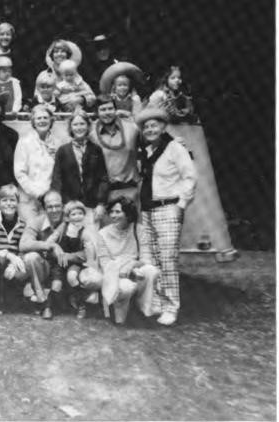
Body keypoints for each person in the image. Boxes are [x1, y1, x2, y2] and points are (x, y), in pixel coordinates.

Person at [136, 107, 197, 326]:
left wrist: (181, 204)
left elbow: (190, 176)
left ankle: (171, 306)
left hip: (168, 207)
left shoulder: (174, 148)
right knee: (151, 258)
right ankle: (158, 303)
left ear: (163, 127)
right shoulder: (147, 150)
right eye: (146, 127)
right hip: (148, 209)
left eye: (154, 125)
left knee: (168, 258)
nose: (150, 129)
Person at [80, 196, 160, 325]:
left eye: (118, 212)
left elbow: (146, 258)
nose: (113, 215)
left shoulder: (138, 229)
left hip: (135, 268)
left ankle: (145, 310)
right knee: (126, 288)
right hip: (114, 273)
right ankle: (119, 314)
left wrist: (133, 265)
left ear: (128, 214)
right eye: (111, 212)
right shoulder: (103, 233)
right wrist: (123, 272)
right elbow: (105, 263)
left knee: (151, 271)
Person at [51, 109, 109, 227]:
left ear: (88, 126)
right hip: (69, 206)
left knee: (91, 240)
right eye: (75, 124)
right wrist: (63, 204)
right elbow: (57, 179)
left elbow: (103, 178)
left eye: (82, 124)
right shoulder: (63, 150)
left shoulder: (96, 149)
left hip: (91, 205)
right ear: (70, 127)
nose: (79, 127)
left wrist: (101, 204)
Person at [44, 200, 98, 319]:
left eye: (80, 213)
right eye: (73, 214)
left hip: (74, 262)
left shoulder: (85, 231)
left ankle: (81, 305)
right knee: (56, 284)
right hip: (60, 261)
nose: (77, 217)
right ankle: (48, 308)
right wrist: (51, 246)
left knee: (72, 277)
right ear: (68, 217)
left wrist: (89, 263)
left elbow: (89, 249)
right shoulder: (63, 227)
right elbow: (52, 239)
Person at [17, 190, 65, 320]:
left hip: (64, 266)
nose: (54, 210)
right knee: (31, 257)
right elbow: (24, 244)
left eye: (57, 206)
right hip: (43, 268)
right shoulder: (36, 221)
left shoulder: (70, 220)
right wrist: (49, 245)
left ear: (62, 206)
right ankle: (43, 301)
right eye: (50, 207)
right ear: (44, 208)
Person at [0, 184, 31, 307]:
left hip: (11, 263)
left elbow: (22, 248)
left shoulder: (22, 224)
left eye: (12, 200)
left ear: (17, 202)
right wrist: (6, 255)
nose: (9, 204)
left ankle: (11, 295)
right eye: (4, 200)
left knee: (20, 273)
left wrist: (14, 262)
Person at [14, 104, 64, 222]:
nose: (42, 121)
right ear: (33, 122)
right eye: (39, 118)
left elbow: (61, 172)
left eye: (45, 118)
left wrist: (50, 195)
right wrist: (37, 193)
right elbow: (19, 172)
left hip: (51, 199)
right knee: (30, 230)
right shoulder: (24, 142)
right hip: (28, 198)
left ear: (51, 121)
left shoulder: (58, 143)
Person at [89, 95, 141, 205]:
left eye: (110, 108)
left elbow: (150, 138)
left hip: (130, 189)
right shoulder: (91, 133)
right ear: (97, 112)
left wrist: (173, 141)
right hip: (103, 193)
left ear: (115, 110)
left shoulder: (132, 128)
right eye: (103, 109)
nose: (107, 112)